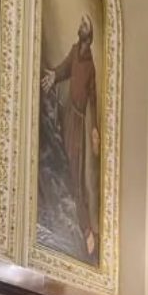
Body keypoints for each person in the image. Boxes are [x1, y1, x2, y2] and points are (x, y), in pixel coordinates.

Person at [41, 14, 100, 259]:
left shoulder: (91, 66)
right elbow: (64, 69)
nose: (80, 26)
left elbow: (94, 100)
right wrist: (53, 76)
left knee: (76, 169)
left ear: (89, 34)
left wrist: (95, 129)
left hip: (79, 120)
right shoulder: (75, 51)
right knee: (63, 160)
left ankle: (86, 228)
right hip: (67, 115)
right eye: (81, 23)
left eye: (84, 25)